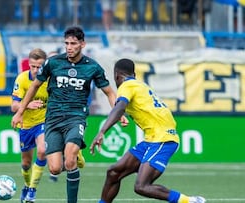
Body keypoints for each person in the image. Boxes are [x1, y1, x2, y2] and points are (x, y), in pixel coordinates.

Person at [11, 26, 119, 203]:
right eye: (67, 43)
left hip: (76, 118)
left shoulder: (92, 67)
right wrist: (20, 112)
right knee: (54, 168)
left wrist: (118, 111)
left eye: (73, 44)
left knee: (69, 162)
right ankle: (73, 156)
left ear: (82, 44)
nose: (69, 47)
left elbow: (109, 92)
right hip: (53, 119)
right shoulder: (53, 63)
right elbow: (34, 86)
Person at [90, 58, 206, 203]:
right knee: (114, 172)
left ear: (117, 76)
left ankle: (190, 201)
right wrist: (122, 114)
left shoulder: (126, 85)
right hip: (152, 139)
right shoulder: (140, 85)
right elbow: (131, 108)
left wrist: (102, 131)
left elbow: (120, 107)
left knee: (141, 186)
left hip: (162, 139)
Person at [11, 48, 48, 203]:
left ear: (44, 65)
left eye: (39, 67)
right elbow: (13, 106)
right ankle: (27, 185)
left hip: (44, 122)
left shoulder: (50, 80)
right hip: (26, 125)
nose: (35, 70)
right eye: (32, 66)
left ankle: (32, 190)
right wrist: (27, 105)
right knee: (26, 163)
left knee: (42, 150)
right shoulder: (22, 79)